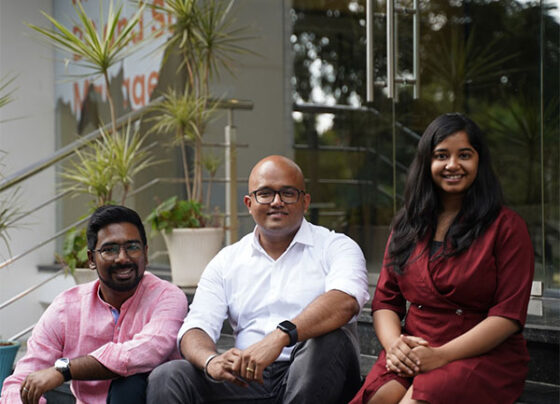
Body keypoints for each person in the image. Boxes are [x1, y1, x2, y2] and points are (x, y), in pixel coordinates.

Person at [146, 155, 370, 404]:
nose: (277, 202)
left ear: (305, 201)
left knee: (328, 340)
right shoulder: (227, 261)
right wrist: (212, 361)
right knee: (168, 376)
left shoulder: (336, 247)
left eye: (288, 193)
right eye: (265, 194)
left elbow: (345, 301)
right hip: (248, 379)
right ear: (249, 203)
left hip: (315, 374)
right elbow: (196, 327)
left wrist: (280, 337)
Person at [350, 113, 534, 404]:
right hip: (414, 347)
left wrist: (441, 355)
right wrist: (394, 345)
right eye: (441, 155)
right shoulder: (407, 224)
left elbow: (508, 316)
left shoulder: (507, 227)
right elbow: (386, 301)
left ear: (479, 161)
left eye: (464, 155)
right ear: (427, 162)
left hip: (481, 353)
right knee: (380, 397)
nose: (453, 164)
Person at [0, 205, 189, 404]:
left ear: (146, 253)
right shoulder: (66, 308)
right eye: (109, 250)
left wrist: (65, 370)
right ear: (91, 259)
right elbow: (21, 380)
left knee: (131, 383)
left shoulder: (167, 297)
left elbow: (147, 351)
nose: (122, 258)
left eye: (132, 247)